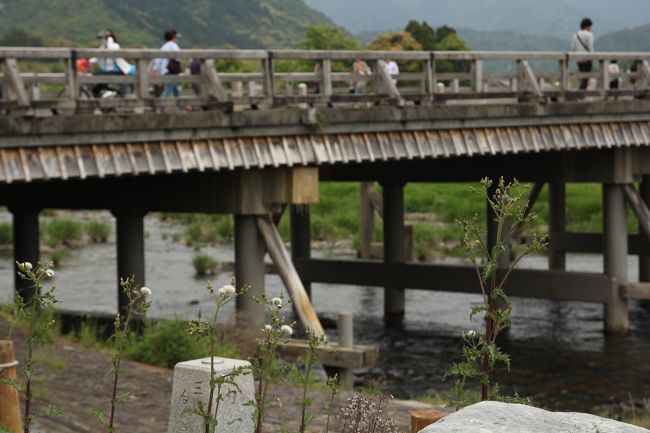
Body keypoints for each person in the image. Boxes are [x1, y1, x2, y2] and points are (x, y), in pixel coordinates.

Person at [150, 29, 181, 99]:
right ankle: (161, 107)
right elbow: (178, 57)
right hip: (171, 71)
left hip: (165, 71)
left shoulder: (163, 47)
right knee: (167, 90)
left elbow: (158, 60)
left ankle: (181, 107)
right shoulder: (173, 46)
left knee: (175, 90)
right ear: (173, 37)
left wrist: (154, 70)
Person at [571, 18, 594, 90]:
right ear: (587, 26)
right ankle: (580, 93)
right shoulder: (589, 35)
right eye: (590, 26)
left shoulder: (575, 35)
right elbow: (590, 47)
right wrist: (592, 57)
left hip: (578, 59)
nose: (591, 28)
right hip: (587, 59)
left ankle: (580, 93)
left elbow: (573, 48)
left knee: (582, 77)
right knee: (586, 77)